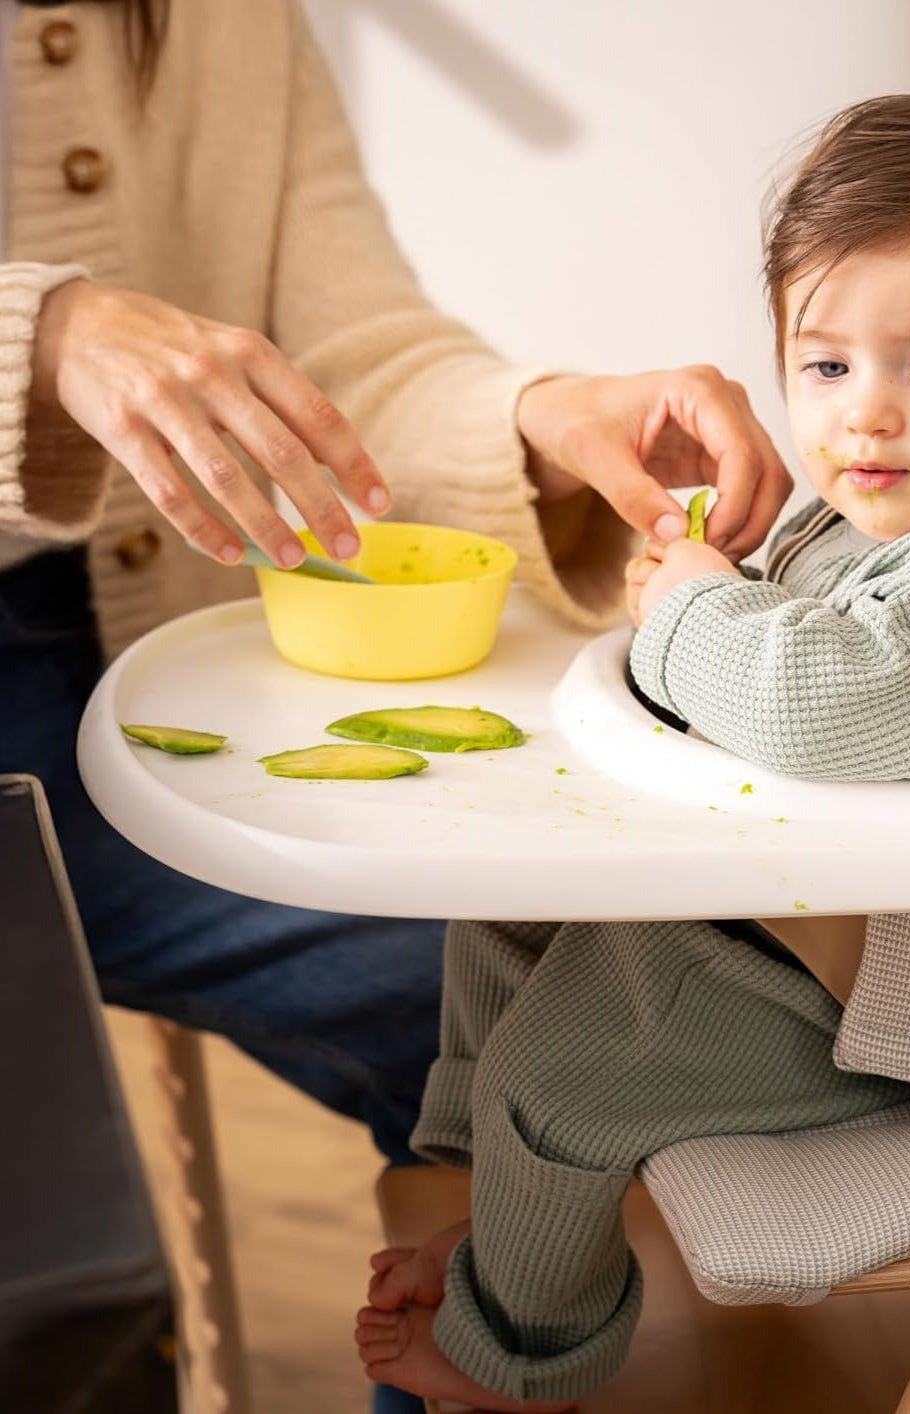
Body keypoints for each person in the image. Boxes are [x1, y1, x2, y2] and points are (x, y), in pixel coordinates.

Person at [0, 4, 787, 1407]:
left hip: (152, 669)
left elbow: (353, 354)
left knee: (543, 1020)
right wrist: (45, 330)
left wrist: (544, 419)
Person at [354, 89, 910, 1408]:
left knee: (560, 1075)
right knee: (502, 909)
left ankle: (518, 1351)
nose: (865, 420)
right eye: (825, 367)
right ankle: (512, 1236)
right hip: (791, 915)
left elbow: (812, 702)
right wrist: (700, 602)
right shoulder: (893, 519)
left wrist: (686, 611)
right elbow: (769, 663)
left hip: (878, 991)